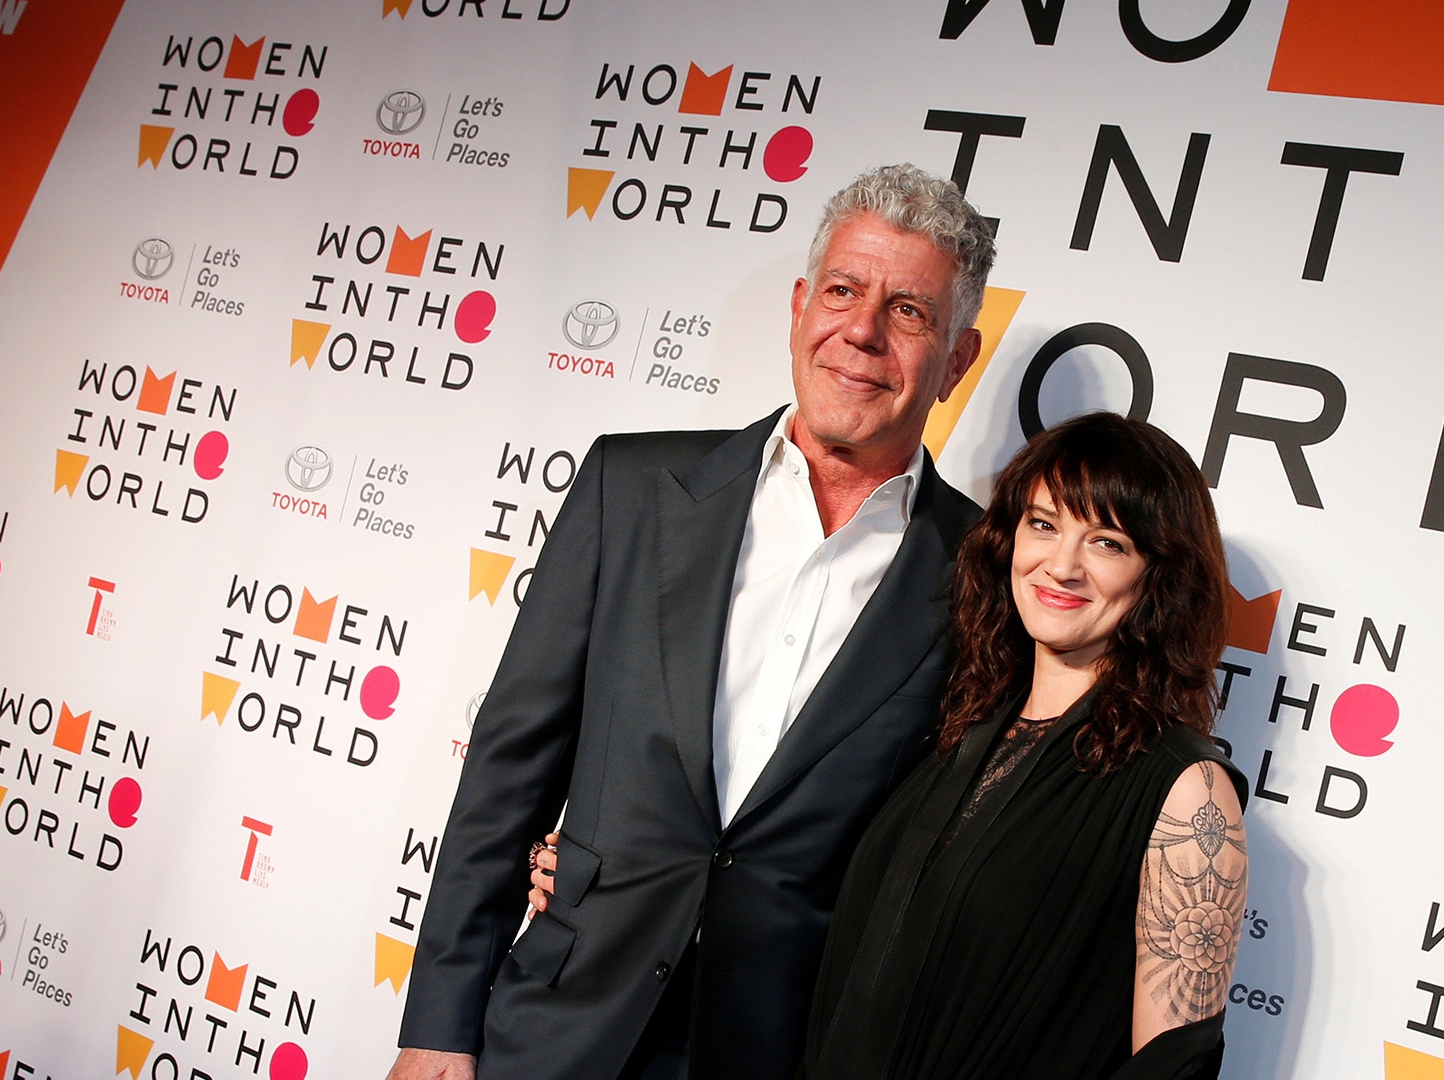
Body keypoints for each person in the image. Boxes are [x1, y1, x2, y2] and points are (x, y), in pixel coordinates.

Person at [388, 164, 995, 1080]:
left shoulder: (984, 574)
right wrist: (439, 1024)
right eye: (842, 291)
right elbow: (508, 768)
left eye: (909, 311)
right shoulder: (630, 490)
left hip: (778, 1049)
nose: (862, 331)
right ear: (799, 308)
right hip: (557, 1021)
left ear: (957, 360)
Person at [534, 412, 1250, 1078]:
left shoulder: (1186, 789)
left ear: (1160, 577)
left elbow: (1172, 1067)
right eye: (1043, 524)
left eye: (1107, 543)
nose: (1061, 565)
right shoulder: (958, 730)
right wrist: (608, 875)